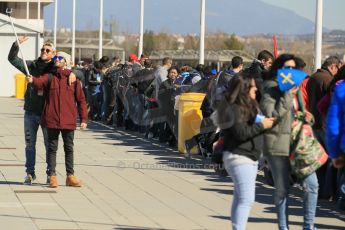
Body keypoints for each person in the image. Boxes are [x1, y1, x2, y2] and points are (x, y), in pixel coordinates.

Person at [260, 54, 318, 230]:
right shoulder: (270, 88)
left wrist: (308, 116)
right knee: (282, 190)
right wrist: (286, 94)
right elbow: (271, 114)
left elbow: (299, 113)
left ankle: (308, 226)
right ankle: (283, 227)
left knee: (312, 185)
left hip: (298, 143)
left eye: (293, 68)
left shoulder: (296, 88)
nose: (291, 71)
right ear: (279, 69)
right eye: (287, 68)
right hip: (277, 144)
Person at [8, 36, 76, 185]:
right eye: (42, 49)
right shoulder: (31, 66)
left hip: (47, 113)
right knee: (29, 144)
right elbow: (12, 59)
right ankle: (30, 173)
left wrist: (73, 73)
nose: (44, 51)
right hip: (31, 112)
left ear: (53, 53)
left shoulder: (55, 68)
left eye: (47, 50)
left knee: (49, 145)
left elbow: (71, 70)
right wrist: (16, 44)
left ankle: (50, 174)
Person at [212, 73, 274, 230]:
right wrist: (263, 125)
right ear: (244, 89)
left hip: (249, 156)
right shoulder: (235, 108)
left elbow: (258, 121)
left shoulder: (249, 106)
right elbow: (241, 133)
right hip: (239, 156)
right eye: (252, 86)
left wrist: (269, 122)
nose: (255, 89)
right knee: (246, 198)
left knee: (241, 197)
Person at [27, 52, 87, 188]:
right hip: (51, 119)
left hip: (68, 120)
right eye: (55, 58)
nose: (57, 60)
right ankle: (52, 175)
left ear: (66, 61)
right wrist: (32, 80)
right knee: (52, 148)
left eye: (60, 58)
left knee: (69, 148)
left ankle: (70, 176)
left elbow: (81, 100)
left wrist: (84, 119)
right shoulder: (50, 76)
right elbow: (39, 81)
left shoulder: (73, 79)